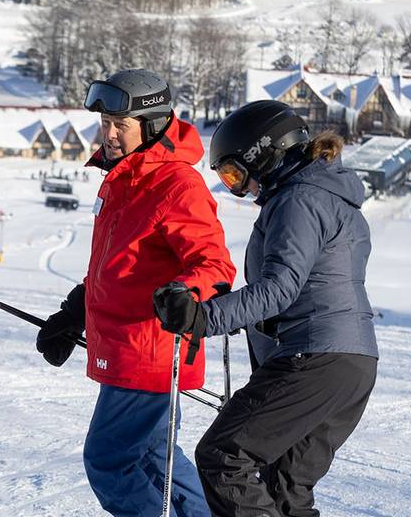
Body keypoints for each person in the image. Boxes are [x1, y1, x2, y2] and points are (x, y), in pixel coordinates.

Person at [153, 100, 380, 517]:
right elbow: (308, 290)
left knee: (225, 456)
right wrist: (224, 309)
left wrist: (205, 318)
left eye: (236, 174)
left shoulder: (299, 201)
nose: (240, 187)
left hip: (314, 357)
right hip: (351, 363)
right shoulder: (328, 198)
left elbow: (280, 288)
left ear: (265, 154)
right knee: (286, 490)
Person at [34, 69, 235, 517]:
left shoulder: (177, 185)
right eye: (103, 123)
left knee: (109, 461)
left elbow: (214, 265)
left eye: (119, 126)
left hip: (151, 351)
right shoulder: (124, 180)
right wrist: (74, 315)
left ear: (152, 125)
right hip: (126, 348)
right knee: (155, 459)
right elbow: (118, 267)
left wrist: (187, 292)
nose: (107, 135)